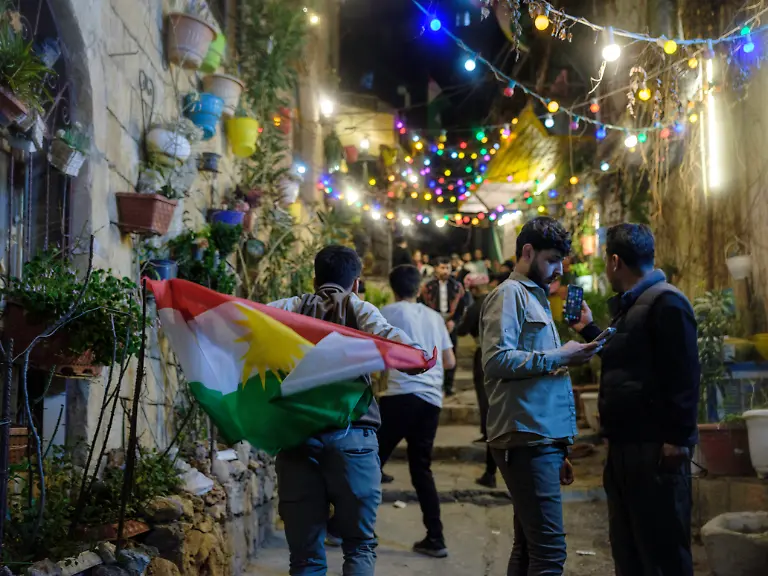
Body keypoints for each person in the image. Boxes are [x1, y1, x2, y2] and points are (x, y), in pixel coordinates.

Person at [268, 245, 425, 576]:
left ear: (314, 280)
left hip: (297, 438)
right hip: (353, 438)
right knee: (359, 545)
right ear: (356, 283)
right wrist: (418, 356)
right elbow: (389, 337)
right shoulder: (359, 307)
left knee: (305, 557)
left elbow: (242, 317)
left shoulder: (290, 308)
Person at [572, 223, 700, 576]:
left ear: (615, 261)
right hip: (627, 448)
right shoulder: (633, 305)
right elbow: (624, 356)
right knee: (629, 549)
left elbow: (685, 373)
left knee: (661, 552)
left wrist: (677, 438)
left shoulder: (666, 301)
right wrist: (589, 331)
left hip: (655, 450)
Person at [479, 216, 603, 575]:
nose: (557, 270)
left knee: (530, 547)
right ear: (527, 252)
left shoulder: (537, 299)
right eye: (551, 261)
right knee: (549, 554)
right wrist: (562, 356)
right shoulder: (509, 295)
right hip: (525, 436)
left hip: (540, 438)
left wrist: (559, 447)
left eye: (560, 263)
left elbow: (538, 370)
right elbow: (496, 360)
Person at [377, 265, 456, 558]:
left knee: (371, 462)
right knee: (421, 469)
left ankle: (346, 526)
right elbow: (448, 361)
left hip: (399, 396)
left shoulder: (386, 312)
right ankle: (436, 538)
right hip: (431, 401)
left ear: (392, 287)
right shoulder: (435, 317)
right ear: (420, 289)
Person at [457, 273, 497, 488]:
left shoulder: (475, 307)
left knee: (487, 406)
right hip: (507, 355)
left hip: (485, 356)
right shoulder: (500, 301)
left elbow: (462, 329)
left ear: (472, 290)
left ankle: (490, 472)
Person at [420, 257, 466, 397]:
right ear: (436, 269)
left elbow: (462, 308)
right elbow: (421, 306)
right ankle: (434, 383)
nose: (445, 271)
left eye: (447, 268)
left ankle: (448, 385)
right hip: (432, 321)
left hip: (450, 321)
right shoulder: (427, 287)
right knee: (431, 353)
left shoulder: (457, 287)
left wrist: (454, 322)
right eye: (442, 268)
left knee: (451, 353)